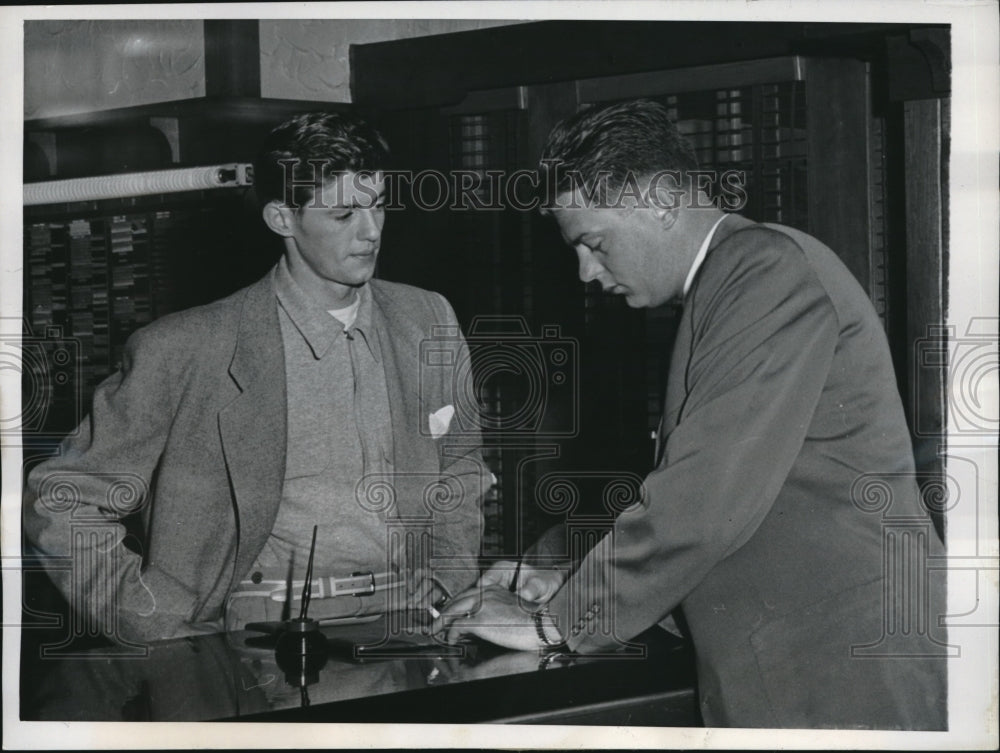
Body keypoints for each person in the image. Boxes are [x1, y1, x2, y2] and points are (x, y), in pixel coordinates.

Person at [437, 99, 948, 729]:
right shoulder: (736, 279)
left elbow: (705, 494)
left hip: (844, 671)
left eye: (594, 243)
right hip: (809, 664)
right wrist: (561, 566)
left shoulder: (762, 270)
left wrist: (555, 623)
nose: (586, 272)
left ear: (660, 201)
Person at [24, 111, 489, 642]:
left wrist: (449, 580)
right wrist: (150, 620)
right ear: (282, 219)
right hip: (260, 639)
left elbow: (461, 465)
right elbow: (60, 499)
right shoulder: (185, 349)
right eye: (343, 215)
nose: (372, 232)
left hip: (413, 626)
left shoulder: (426, 318)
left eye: (378, 205)